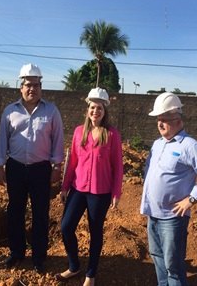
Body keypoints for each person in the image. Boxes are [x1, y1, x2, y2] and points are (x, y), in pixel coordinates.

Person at [140, 92, 197, 286]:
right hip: (153, 213)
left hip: (172, 218)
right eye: (158, 120)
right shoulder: (157, 144)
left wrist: (191, 199)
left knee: (173, 266)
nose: (160, 124)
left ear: (177, 119)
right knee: (157, 257)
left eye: (164, 120)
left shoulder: (189, 146)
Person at [0, 63, 64, 273]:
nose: (32, 88)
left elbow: (57, 140)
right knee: (15, 211)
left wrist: (57, 166)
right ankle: (16, 253)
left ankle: (39, 257)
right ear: (20, 87)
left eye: (36, 85)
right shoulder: (10, 111)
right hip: (15, 168)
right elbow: (2, 140)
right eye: (28, 85)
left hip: (40, 169)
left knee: (40, 213)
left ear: (41, 87)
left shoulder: (51, 111)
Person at [55, 87, 123, 286]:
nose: (96, 111)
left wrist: (116, 192)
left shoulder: (111, 135)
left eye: (99, 108)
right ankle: (74, 266)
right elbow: (72, 162)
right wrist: (65, 187)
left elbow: (118, 166)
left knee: (95, 232)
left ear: (105, 111)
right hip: (78, 188)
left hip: (100, 192)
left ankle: (90, 274)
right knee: (66, 226)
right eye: (93, 107)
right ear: (88, 110)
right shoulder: (78, 132)